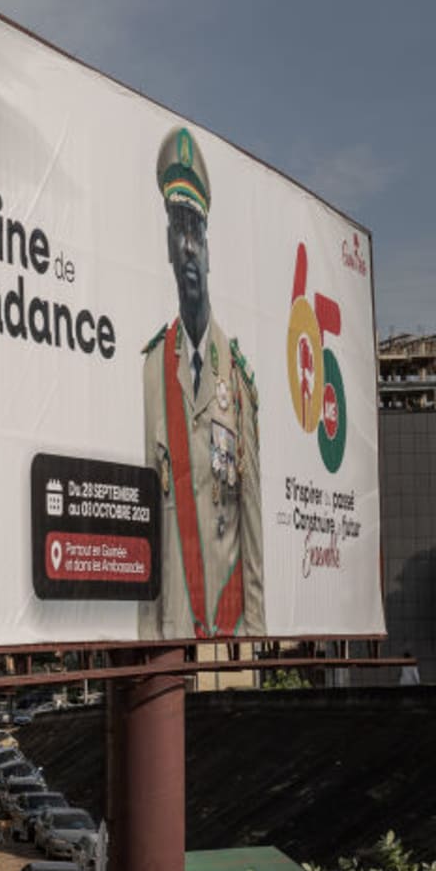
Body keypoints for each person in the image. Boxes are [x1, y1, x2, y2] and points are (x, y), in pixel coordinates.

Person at [139, 125, 263, 639]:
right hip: (170, 638)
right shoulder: (150, 371)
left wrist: (256, 633)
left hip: (228, 636)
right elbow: (146, 521)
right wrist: (144, 646)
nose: (188, 247)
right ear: (168, 247)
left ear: (208, 249)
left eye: (196, 230)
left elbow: (249, 512)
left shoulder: (234, 376)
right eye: (178, 230)